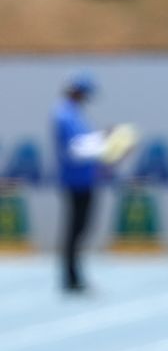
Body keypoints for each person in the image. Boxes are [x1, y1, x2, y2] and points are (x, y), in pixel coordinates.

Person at [52, 72, 104, 294]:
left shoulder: (74, 114)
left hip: (85, 179)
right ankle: (70, 277)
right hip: (75, 181)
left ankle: (74, 275)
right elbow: (75, 149)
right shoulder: (64, 115)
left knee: (81, 229)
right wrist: (105, 145)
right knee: (75, 230)